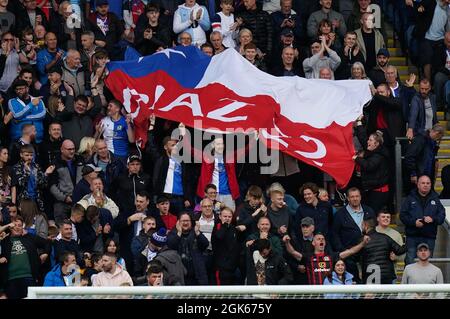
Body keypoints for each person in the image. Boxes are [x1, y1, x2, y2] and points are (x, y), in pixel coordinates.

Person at [284, 232, 368, 285]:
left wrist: (363, 243)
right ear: (313, 243)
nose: (321, 240)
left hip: (329, 293)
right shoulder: (308, 257)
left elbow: (350, 251)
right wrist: (287, 242)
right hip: (314, 294)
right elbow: (292, 252)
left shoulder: (331, 256)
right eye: (318, 239)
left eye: (323, 239)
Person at [0, 216, 51, 299]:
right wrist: (6, 226)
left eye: (19, 225)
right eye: (14, 225)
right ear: (10, 227)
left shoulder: (29, 237)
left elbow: (47, 243)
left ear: (22, 227)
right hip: (10, 280)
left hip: (29, 277)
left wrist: (45, 253)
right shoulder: (4, 241)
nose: (17, 227)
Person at [400, 175, 446, 265]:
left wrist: (433, 219)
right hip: (412, 237)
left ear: (431, 185)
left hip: (429, 238)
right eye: (423, 183)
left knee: (427, 264)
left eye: (428, 183)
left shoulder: (436, 199)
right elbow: (403, 215)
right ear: (418, 185)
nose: (426, 185)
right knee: (410, 263)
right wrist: (414, 222)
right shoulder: (410, 198)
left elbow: (441, 216)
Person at [331, 187, 374, 282]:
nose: (355, 199)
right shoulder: (340, 214)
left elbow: (374, 230)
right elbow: (334, 234)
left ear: (360, 197)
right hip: (348, 254)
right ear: (348, 198)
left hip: (367, 252)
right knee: (353, 281)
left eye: (357, 196)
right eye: (352, 197)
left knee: (368, 281)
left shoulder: (369, 211)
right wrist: (341, 250)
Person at [352, 128, 390, 214]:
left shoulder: (379, 155)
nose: (367, 142)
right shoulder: (373, 150)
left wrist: (357, 159)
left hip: (379, 192)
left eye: (370, 140)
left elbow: (369, 166)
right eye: (368, 139)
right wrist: (359, 124)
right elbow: (363, 138)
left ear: (376, 144)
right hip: (372, 190)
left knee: (373, 215)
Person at [167, 212, 209, 285]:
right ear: (178, 222)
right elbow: (170, 245)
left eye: (187, 221)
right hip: (179, 274)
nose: (185, 223)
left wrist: (197, 232)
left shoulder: (196, 232)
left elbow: (205, 244)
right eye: (183, 221)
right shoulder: (173, 233)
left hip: (197, 274)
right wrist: (179, 233)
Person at [360, 217, 406, 284]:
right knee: (388, 294)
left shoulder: (362, 241)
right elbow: (399, 250)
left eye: (362, 225)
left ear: (366, 226)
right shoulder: (385, 237)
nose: (361, 227)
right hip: (387, 276)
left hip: (370, 277)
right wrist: (410, 242)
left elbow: (355, 257)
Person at [49, 139, 84, 225]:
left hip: (79, 200)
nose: (72, 151)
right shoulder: (55, 163)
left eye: (73, 149)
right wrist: (64, 198)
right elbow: (52, 186)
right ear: (62, 150)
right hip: (62, 202)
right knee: (63, 228)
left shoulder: (80, 160)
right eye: (69, 149)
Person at [11, 144, 55, 213]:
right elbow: (20, 184)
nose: (29, 157)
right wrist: (27, 172)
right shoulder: (16, 168)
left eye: (31, 155)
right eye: (27, 155)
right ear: (21, 155)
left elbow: (43, 185)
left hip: (37, 200)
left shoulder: (36, 166)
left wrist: (46, 174)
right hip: (24, 201)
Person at [8, 79, 46, 143]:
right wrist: (31, 104)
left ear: (27, 88)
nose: (19, 91)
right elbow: (17, 115)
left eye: (21, 89)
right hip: (19, 138)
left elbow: (42, 115)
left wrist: (24, 118)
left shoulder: (38, 100)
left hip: (37, 138)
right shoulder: (12, 101)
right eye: (17, 89)